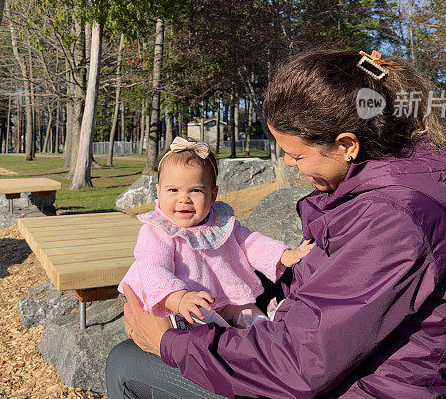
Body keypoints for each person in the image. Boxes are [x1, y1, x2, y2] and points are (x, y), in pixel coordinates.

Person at [107, 48, 446, 399]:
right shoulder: (375, 192)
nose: (291, 165)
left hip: (353, 391)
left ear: (347, 145)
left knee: (125, 365)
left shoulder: (392, 221)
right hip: (337, 373)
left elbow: (300, 363)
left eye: (296, 154)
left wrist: (168, 343)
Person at [119, 137, 313, 329]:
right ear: (159, 192)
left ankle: (265, 328)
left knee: (248, 311)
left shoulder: (221, 223)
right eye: (173, 190)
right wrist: (179, 298)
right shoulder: (158, 230)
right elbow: (153, 267)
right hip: (182, 302)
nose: (184, 199)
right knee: (203, 324)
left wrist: (282, 255)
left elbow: (250, 243)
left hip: (225, 296)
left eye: (195, 190)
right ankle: (224, 337)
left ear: (212, 195)